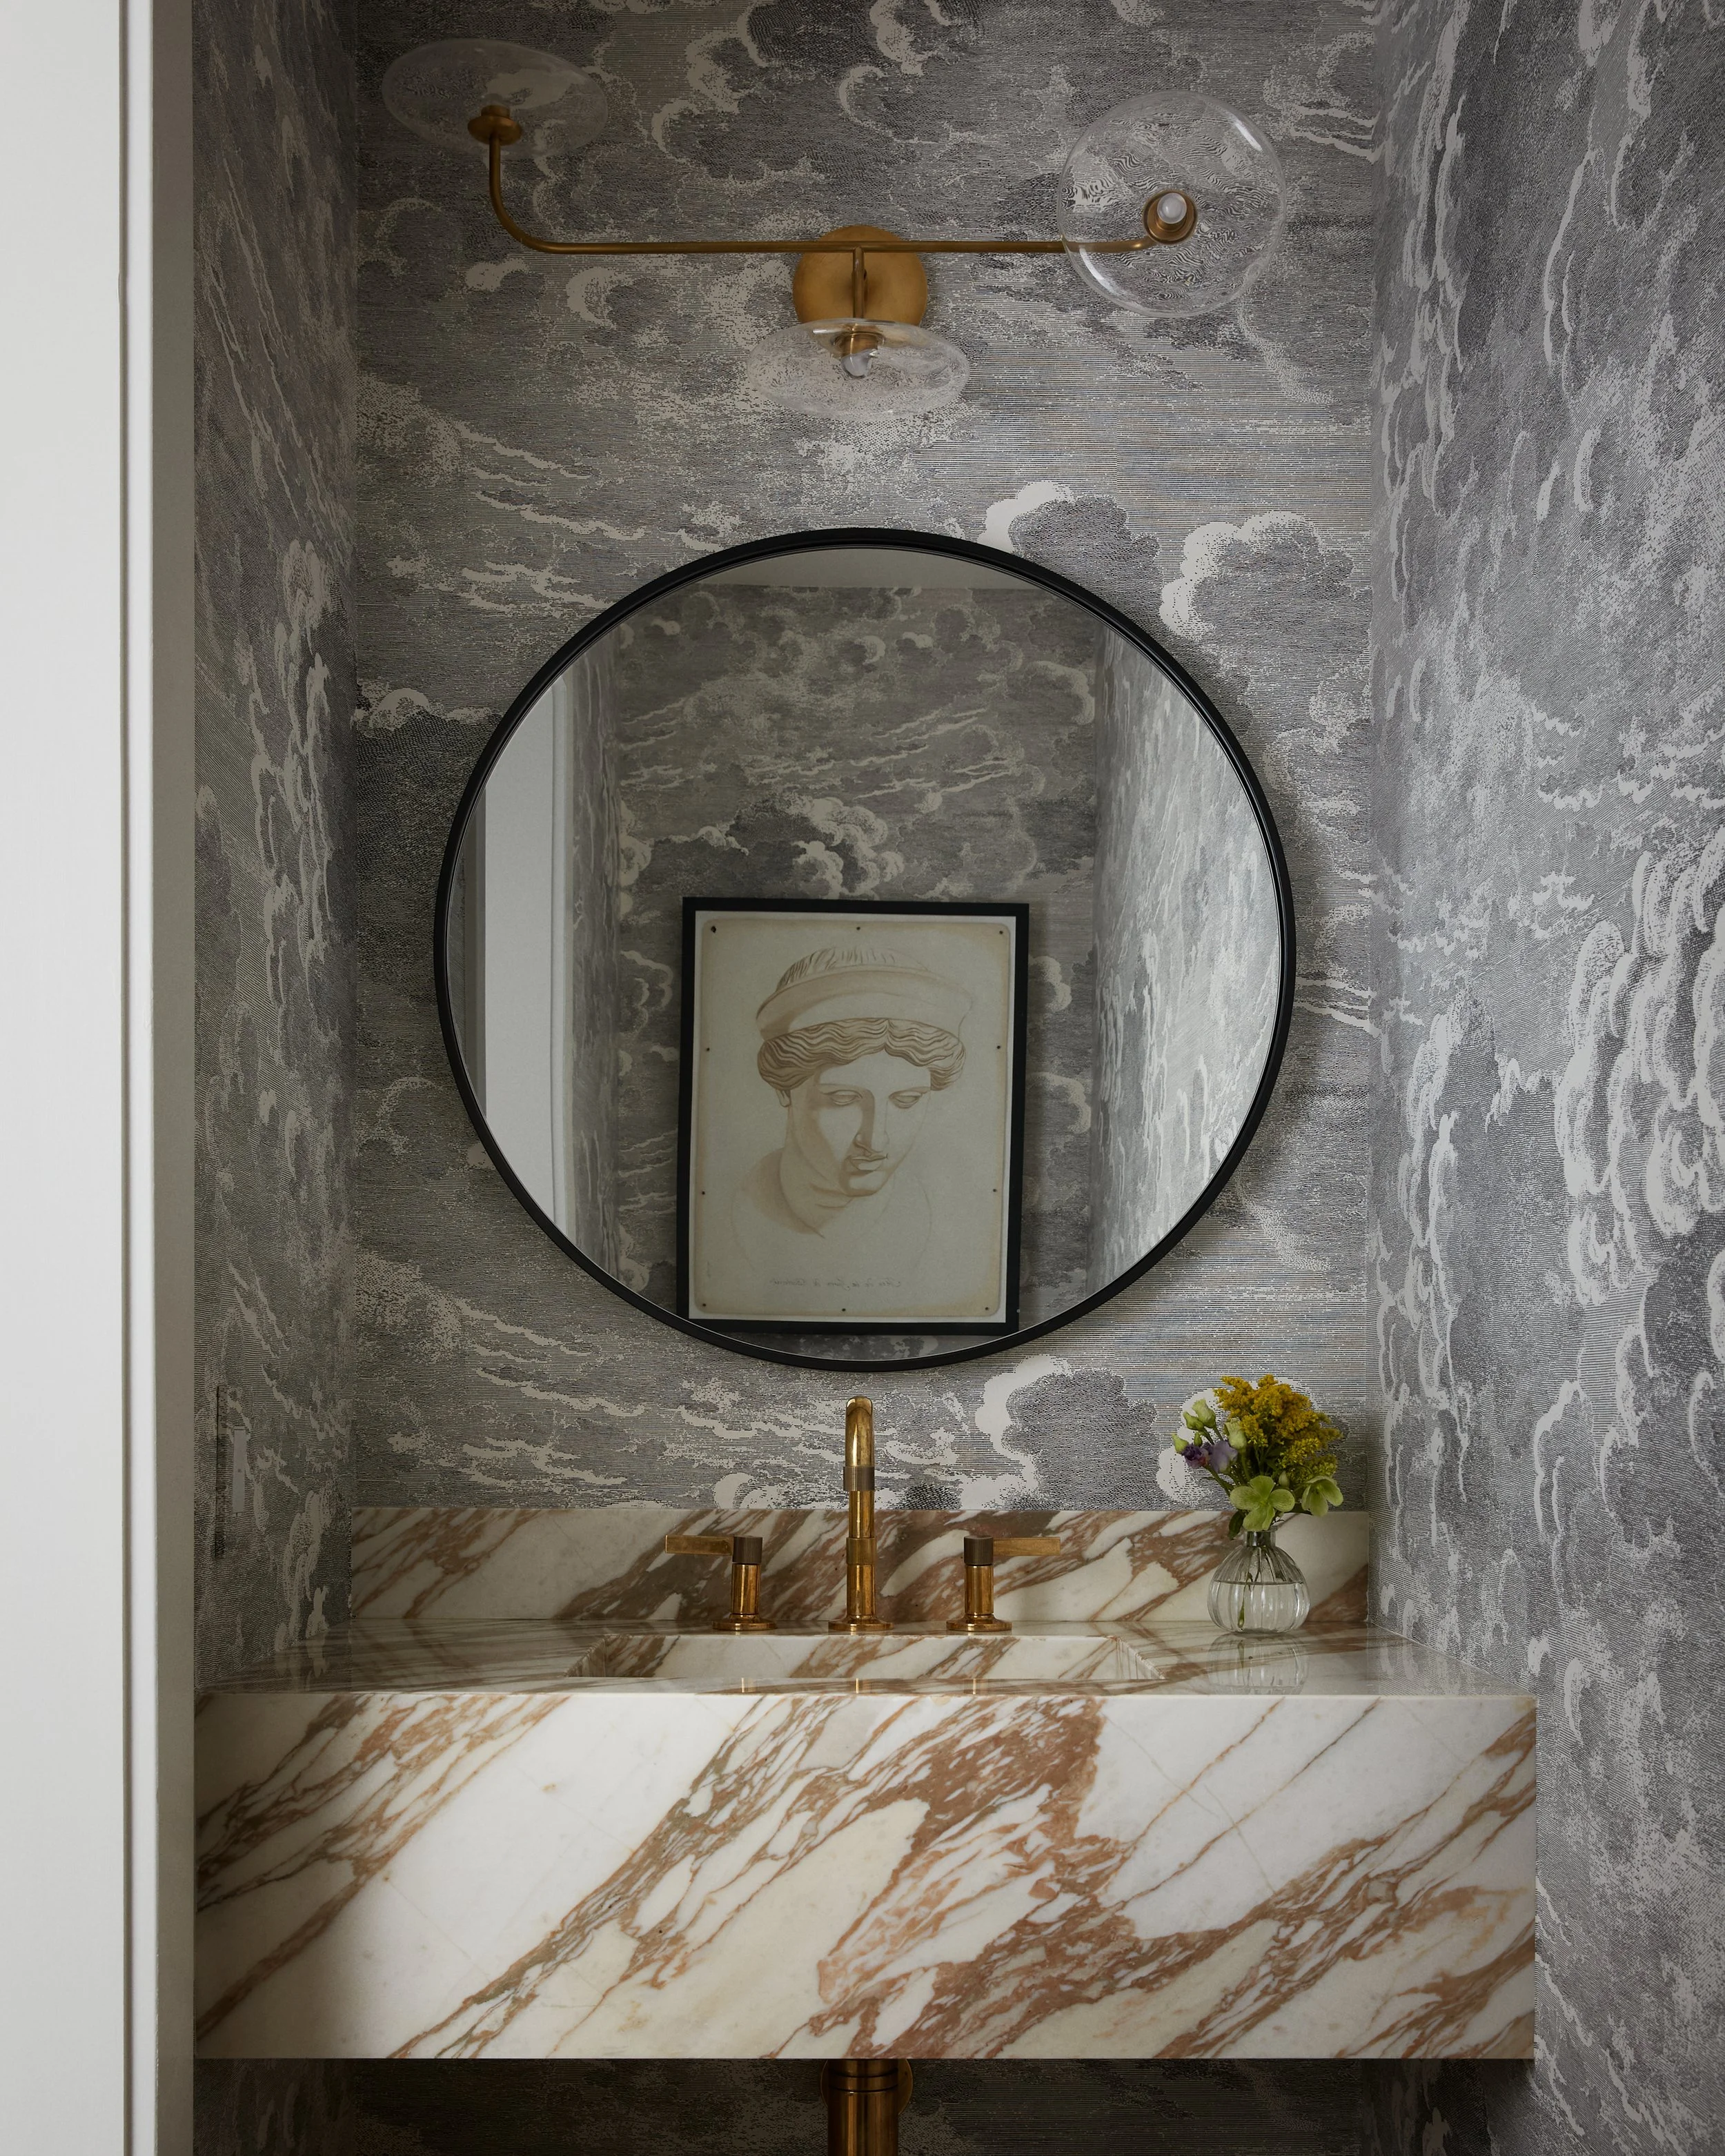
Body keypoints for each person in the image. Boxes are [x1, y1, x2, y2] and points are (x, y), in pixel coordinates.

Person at [709, 944, 973, 1318]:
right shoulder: (723, 1214)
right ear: (784, 1089)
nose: (875, 1141)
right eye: (843, 1098)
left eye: (907, 1100)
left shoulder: (951, 1226)